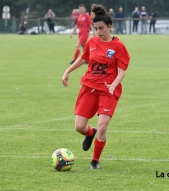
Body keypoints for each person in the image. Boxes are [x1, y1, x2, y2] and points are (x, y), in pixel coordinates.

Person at [62, 4, 130, 169]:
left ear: (109, 26)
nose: (98, 32)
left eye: (101, 28)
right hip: (89, 86)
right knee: (79, 126)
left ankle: (95, 161)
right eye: (96, 28)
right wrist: (68, 71)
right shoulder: (92, 42)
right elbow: (83, 59)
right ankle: (89, 133)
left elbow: (122, 71)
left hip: (108, 90)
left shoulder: (118, 46)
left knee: (102, 126)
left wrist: (113, 86)